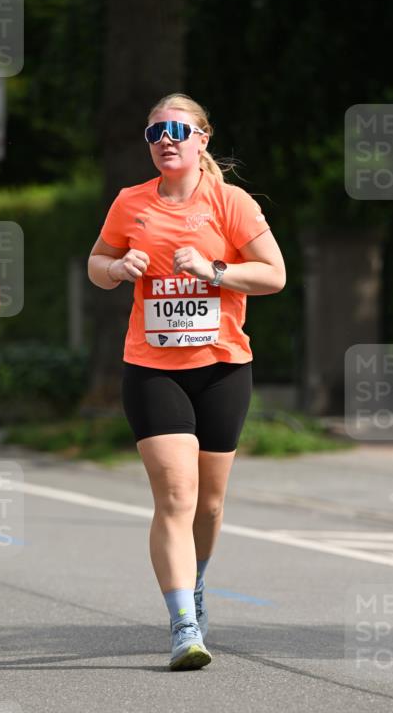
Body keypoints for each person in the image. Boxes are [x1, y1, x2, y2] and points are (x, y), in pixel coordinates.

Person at [88, 93, 285, 671]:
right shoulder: (131, 203)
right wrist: (118, 269)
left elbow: (273, 275)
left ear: (203, 138)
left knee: (210, 504)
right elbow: (96, 266)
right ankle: (182, 624)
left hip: (223, 366)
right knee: (175, 497)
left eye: (177, 130)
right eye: (155, 133)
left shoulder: (230, 203)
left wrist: (215, 270)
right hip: (152, 366)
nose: (166, 140)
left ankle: (195, 585)